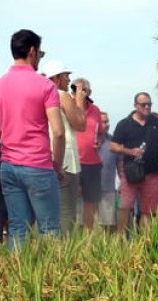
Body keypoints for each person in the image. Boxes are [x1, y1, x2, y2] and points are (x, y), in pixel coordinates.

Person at [0, 29, 63, 247]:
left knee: (18, 227)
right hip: (38, 164)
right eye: (40, 54)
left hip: (8, 165)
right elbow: (58, 131)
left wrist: (11, 128)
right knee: (49, 229)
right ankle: (51, 278)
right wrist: (58, 164)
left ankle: (14, 279)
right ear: (32, 51)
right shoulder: (46, 86)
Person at [40, 60, 87, 233]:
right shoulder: (61, 94)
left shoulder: (41, 94)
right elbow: (80, 124)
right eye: (66, 76)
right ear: (57, 78)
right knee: (67, 211)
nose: (69, 80)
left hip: (47, 156)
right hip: (66, 159)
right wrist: (80, 102)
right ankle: (66, 252)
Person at [110, 92, 158, 233]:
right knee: (124, 207)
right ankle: (120, 239)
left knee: (148, 210)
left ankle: (143, 243)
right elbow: (113, 146)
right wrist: (130, 151)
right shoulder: (124, 124)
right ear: (135, 106)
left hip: (151, 172)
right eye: (143, 104)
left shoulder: (157, 122)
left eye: (149, 104)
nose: (147, 107)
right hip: (130, 172)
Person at [72, 77, 104, 229]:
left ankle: (88, 237)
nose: (79, 93)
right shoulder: (67, 106)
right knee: (69, 200)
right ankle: (69, 238)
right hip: (72, 162)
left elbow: (101, 133)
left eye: (83, 90)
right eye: (75, 89)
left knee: (90, 202)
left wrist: (100, 141)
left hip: (92, 163)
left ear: (89, 92)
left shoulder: (95, 110)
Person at [96, 111, 119, 231]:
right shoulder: (87, 141)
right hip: (86, 191)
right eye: (102, 122)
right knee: (83, 226)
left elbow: (120, 165)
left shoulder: (114, 142)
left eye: (107, 121)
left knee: (109, 227)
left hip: (108, 190)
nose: (106, 124)